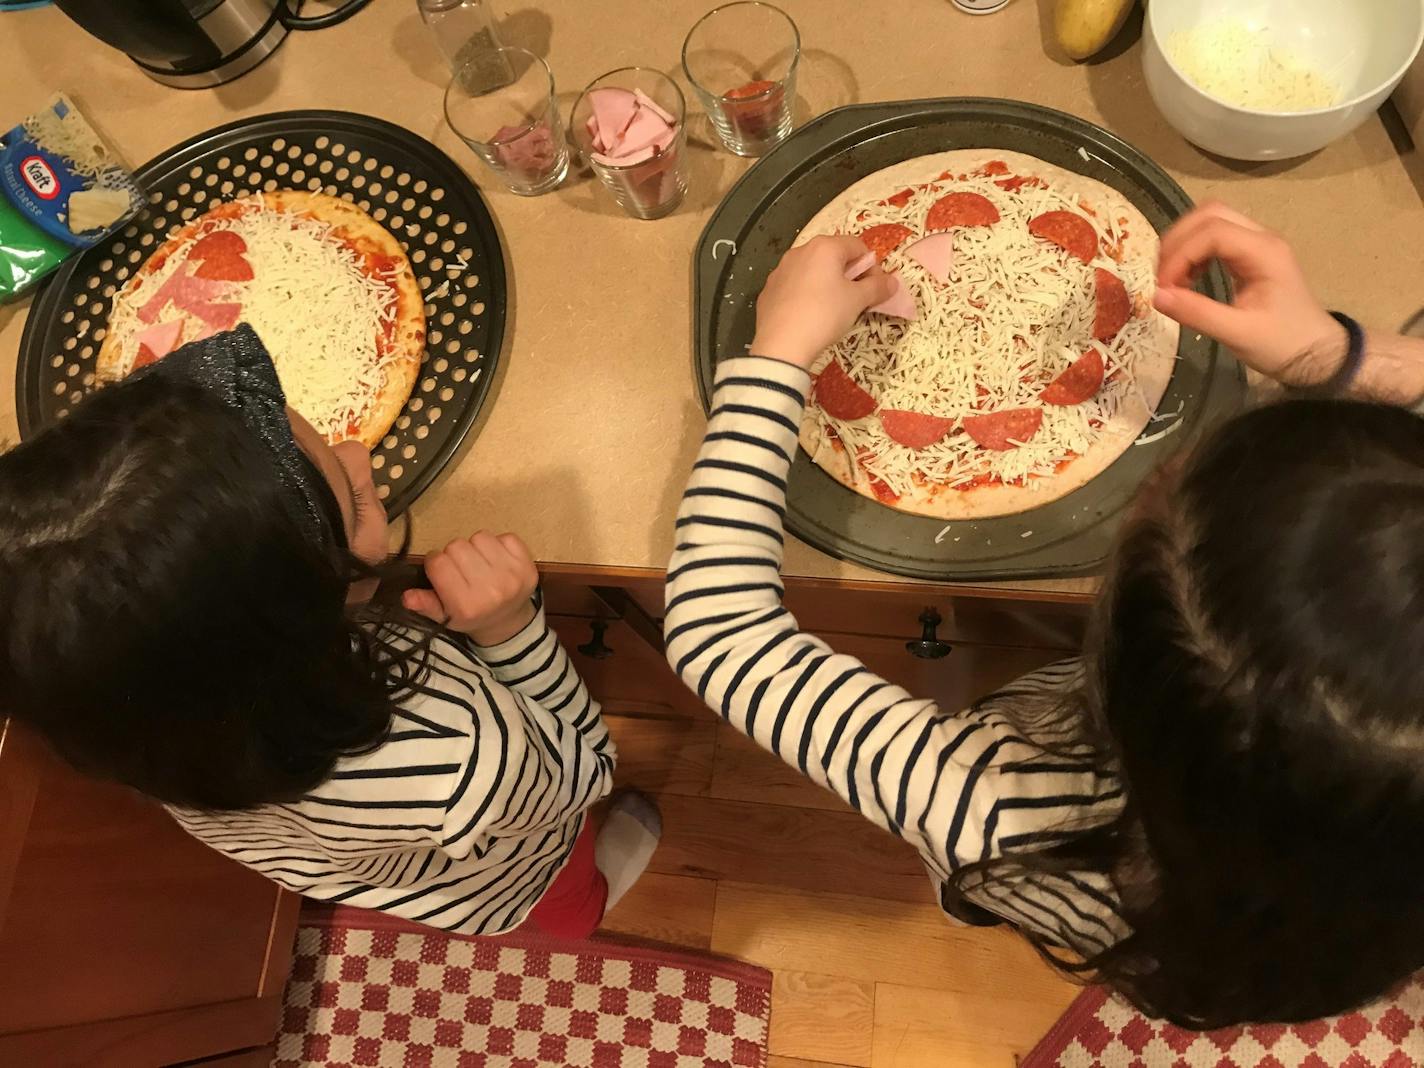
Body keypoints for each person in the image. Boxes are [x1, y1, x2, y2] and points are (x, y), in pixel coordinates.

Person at [664, 200, 1424, 1028]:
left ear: (1123, 653)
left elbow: (720, 630)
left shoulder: (1003, 813)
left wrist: (778, 354)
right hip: (1264, 950)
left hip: (1061, 888)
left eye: (1161, 493)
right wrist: (1338, 354)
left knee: (979, 898)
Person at [0, 326, 660, 940]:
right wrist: (509, 629)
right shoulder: (464, 755)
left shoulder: (148, 712)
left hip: (376, 853)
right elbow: (583, 772)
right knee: (561, 889)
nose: (356, 450)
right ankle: (589, 903)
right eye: (354, 494)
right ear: (291, 614)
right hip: (511, 868)